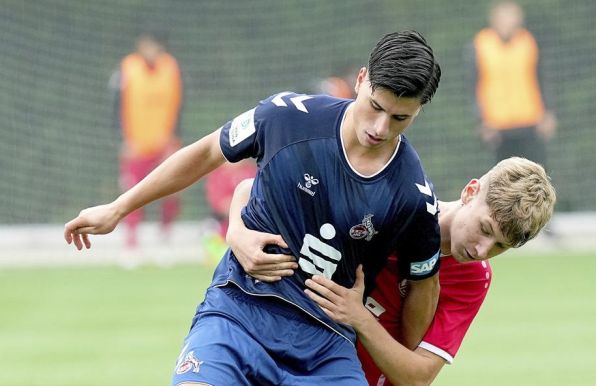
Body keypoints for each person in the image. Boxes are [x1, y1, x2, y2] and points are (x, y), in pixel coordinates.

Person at [64, 31, 442, 385]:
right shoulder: (286, 116)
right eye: (375, 106)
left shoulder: (413, 194)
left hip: (325, 344)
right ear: (361, 79)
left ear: (419, 111)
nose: (379, 127)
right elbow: (209, 152)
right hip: (238, 313)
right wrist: (118, 208)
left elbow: (424, 283)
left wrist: (398, 357)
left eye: (399, 119)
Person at [302, 157, 557, 386]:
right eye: (485, 229)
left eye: (501, 246)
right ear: (470, 192)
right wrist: (258, 237)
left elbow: (418, 378)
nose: (482, 250)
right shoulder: (396, 206)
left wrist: (360, 318)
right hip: (303, 358)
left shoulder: (474, 277)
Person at [110, 29, 183, 248]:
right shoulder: (127, 69)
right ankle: (131, 242)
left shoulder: (171, 68)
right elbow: (114, 106)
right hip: (136, 144)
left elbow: (180, 105)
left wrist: (175, 137)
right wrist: (121, 139)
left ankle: (165, 234)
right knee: (132, 192)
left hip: (164, 143)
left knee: (172, 188)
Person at [471, 1, 557, 167]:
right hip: (497, 126)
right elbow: (473, 87)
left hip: (530, 122)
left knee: (535, 174)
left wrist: (548, 113)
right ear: (493, 19)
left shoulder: (529, 42)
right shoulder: (480, 45)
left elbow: (543, 79)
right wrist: (481, 121)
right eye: (503, 17)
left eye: (511, 17)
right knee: (504, 179)